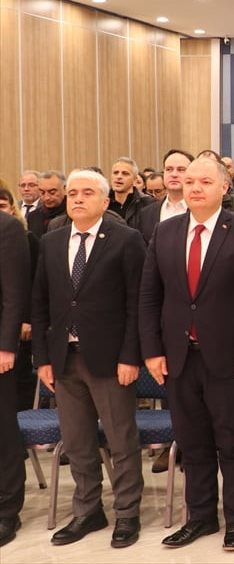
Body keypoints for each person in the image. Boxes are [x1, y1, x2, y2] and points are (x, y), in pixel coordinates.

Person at [138, 156, 234, 551]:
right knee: (192, 441)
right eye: (188, 180)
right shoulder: (165, 232)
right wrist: (152, 350)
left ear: (223, 188)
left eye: (204, 181)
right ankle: (200, 517)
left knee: (232, 443)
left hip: (231, 360)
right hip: (179, 356)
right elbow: (150, 296)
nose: (194, 187)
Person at [31, 170, 146, 548]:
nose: (77, 199)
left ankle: (127, 513)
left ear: (105, 201)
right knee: (77, 441)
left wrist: (131, 356)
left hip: (111, 359)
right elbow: (41, 303)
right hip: (64, 358)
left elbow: (137, 304)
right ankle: (87, 510)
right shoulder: (51, 242)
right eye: (73, 193)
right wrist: (43, 358)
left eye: (87, 193)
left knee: (120, 438)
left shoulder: (126, 240)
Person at [0, 210, 32, 548]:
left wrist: (6, 346)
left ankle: (7, 508)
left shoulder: (6, 227)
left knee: (3, 431)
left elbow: (14, 295)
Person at [138, 149, 193, 243]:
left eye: (181, 170)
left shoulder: (201, 210)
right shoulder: (147, 213)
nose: (174, 174)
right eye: (169, 169)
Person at [27, 170, 67, 239]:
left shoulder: (73, 215)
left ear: (65, 189)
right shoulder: (33, 217)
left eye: (52, 192)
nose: (47, 197)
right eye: (42, 193)